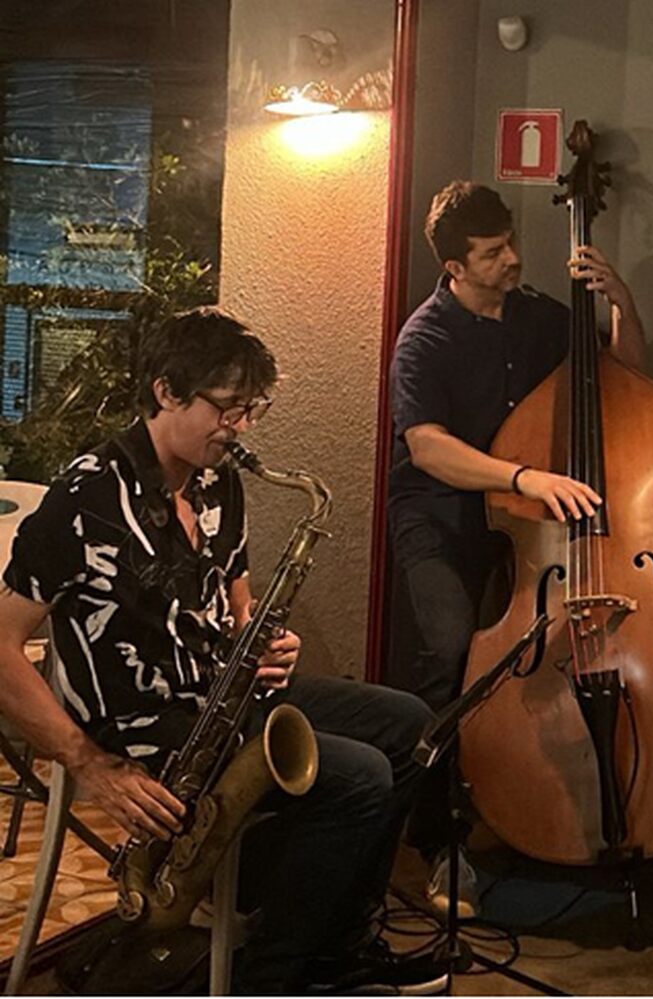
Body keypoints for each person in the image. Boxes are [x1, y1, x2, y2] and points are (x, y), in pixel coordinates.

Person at [0, 307, 448, 995]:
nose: (240, 428)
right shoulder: (85, 497)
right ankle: (271, 975)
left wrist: (261, 638)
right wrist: (89, 764)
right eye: (227, 408)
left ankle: (335, 942)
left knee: (409, 723)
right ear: (166, 391)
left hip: (222, 695)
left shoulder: (218, 481)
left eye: (251, 410)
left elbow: (236, 600)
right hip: (145, 727)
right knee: (360, 777)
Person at [386, 181, 643, 916]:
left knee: (531, 660)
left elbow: (622, 377)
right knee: (447, 657)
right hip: (440, 517)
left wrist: (621, 303)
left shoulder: (538, 317)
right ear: (455, 266)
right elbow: (428, 447)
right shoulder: (424, 338)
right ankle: (439, 842)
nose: (512, 259)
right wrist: (524, 475)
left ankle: (535, 811)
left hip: (524, 521)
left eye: (510, 243)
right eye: (492, 252)